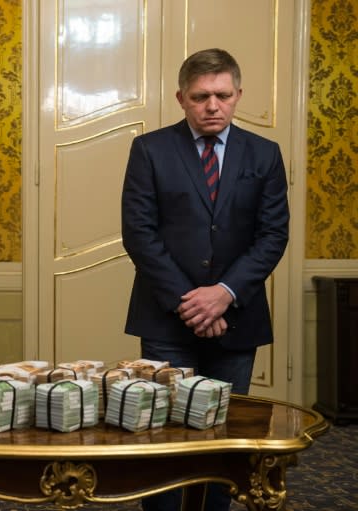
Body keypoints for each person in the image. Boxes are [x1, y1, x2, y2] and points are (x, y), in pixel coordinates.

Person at [120, 48, 290, 511]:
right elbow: (139, 233)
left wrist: (223, 294)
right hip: (164, 320)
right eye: (200, 97)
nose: (212, 105)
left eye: (222, 95)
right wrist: (190, 302)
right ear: (181, 98)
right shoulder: (150, 149)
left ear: (238, 95)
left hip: (238, 319)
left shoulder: (266, 154)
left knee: (223, 437)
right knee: (161, 434)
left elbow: (273, 235)